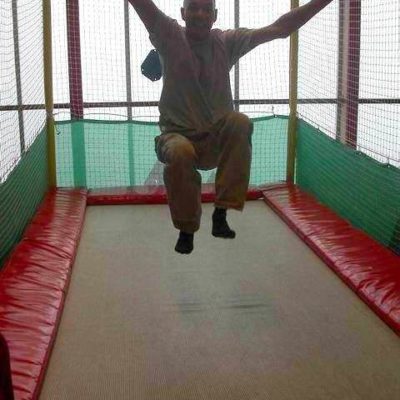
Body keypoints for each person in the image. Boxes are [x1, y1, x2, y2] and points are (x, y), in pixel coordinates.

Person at [129, 0, 333, 254]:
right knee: (181, 151)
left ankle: (221, 212)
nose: (200, 14)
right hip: (177, 137)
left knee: (240, 122)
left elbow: (280, 29)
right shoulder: (169, 35)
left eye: (206, 9)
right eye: (193, 8)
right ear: (183, 13)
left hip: (215, 142)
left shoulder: (225, 42)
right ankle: (186, 229)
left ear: (215, 15)